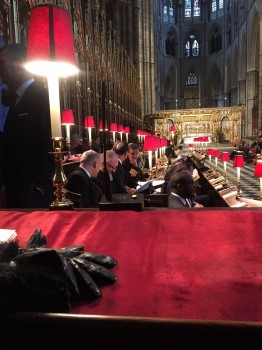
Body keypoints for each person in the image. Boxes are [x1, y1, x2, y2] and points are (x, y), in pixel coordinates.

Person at [0, 43, 55, 208]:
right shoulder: (17, 98)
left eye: (2, 63)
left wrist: (41, 188)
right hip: (16, 187)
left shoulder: (41, 96)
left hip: (33, 190)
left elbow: (50, 144)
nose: (0, 70)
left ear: (19, 64)